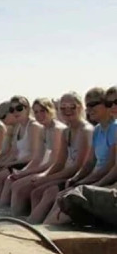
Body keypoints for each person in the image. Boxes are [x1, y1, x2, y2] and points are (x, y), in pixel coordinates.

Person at [44, 87, 117, 225]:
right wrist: (77, 179)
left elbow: (110, 167)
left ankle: (44, 231)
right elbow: (90, 163)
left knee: (69, 198)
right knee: (59, 195)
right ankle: (39, 229)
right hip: (99, 179)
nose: (90, 109)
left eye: (94, 104)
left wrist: (89, 184)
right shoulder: (97, 129)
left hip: (105, 182)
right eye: (88, 105)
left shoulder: (114, 128)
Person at [27, 92, 93, 223]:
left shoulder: (86, 130)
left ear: (80, 107)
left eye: (72, 107)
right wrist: (44, 176)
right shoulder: (66, 131)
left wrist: (48, 179)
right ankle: (33, 224)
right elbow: (59, 162)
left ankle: (38, 225)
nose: (67, 111)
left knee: (50, 192)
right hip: (69, 174)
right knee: (36, 191)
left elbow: (79, 166)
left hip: (81, 176)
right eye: (63, 108)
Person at [0, 98, 65, 213]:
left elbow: (54, 162)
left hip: (59, 170)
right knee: (14, 181)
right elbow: (37, 158)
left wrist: (32, 174)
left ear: (51, 110)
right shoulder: (44, 129)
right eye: (36, 112)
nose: (39, 115)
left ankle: (15, 217)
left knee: (18, 186)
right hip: (48, 168)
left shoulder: (57, 129)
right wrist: (22, 172)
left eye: (43, 111)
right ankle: (5, 214)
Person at [0, 96, 43, 202]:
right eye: (12, 109)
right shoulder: (18, 127)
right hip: (19, 163)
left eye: (19, 108)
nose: (15, 112)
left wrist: (9, 164)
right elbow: (14, 153)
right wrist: (0, 164)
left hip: (29, 164)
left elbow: (33, 156)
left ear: (27, 109)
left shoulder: (33, 126)